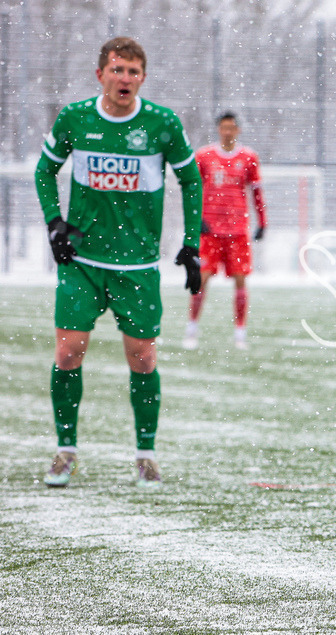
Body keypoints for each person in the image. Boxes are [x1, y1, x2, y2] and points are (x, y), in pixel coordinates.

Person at [35, 37, 203, 489]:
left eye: (132, 71)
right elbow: (44, 170)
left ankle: (145, 453)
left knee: (143, 359)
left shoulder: (162, 124)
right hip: (82, 261)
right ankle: (65, 451)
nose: (124, 78)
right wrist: (55, 222)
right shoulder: (76, 117)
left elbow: (191, 180)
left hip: (137, 266)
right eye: (116, 69)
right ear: (100, 75)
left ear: (142, 78)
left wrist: (190, 244)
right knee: (68, 352)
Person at [184, 112, 266, 351]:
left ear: (238, 130)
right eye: (224, 127)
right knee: (201, 280)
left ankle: (240, 333)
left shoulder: (249, 158)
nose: (227, 132)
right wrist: (195, 219)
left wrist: (263, 222)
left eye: (232, 128)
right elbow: (193, 190)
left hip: (238, 230)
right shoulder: (204, 156)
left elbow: (257, 193)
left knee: (241, 281)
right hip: (210, 230)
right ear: (219, 129)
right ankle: (192, 329)